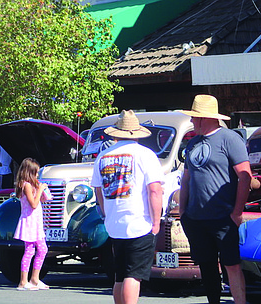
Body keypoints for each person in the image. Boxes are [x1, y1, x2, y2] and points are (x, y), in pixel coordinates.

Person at [178, 94, 252, 304]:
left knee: (231, 265)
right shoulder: (192, 143)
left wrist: (237, 212)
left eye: (194, 117)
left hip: (222, 216)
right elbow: (187, 178)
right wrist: (183, 212)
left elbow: (245, 176)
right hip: (196, 218)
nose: (192, 121)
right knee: (206, 266)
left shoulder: (229, 139)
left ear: (204, 118)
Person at [91, 110, 163, 304]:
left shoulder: (103, 156)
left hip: (115, 222)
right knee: (134, 275)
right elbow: (155, 190)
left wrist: (107, 214)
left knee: (120, 275)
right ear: (137, 133)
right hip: (139, 220)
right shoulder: (146, 155)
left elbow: (98, 190)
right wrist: (156, 221)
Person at [13, 158, 51, 291]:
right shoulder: (26, 185)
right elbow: (33, 204)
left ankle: (35, 278)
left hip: (36, 223)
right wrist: (39, 190)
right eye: (35, 173)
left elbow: (44, 199)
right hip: (29, 222)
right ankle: (23, 281)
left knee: (42, 249)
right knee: (29, 251)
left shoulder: (32, 185)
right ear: (29, 172)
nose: (37, 176)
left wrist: (42, 190)